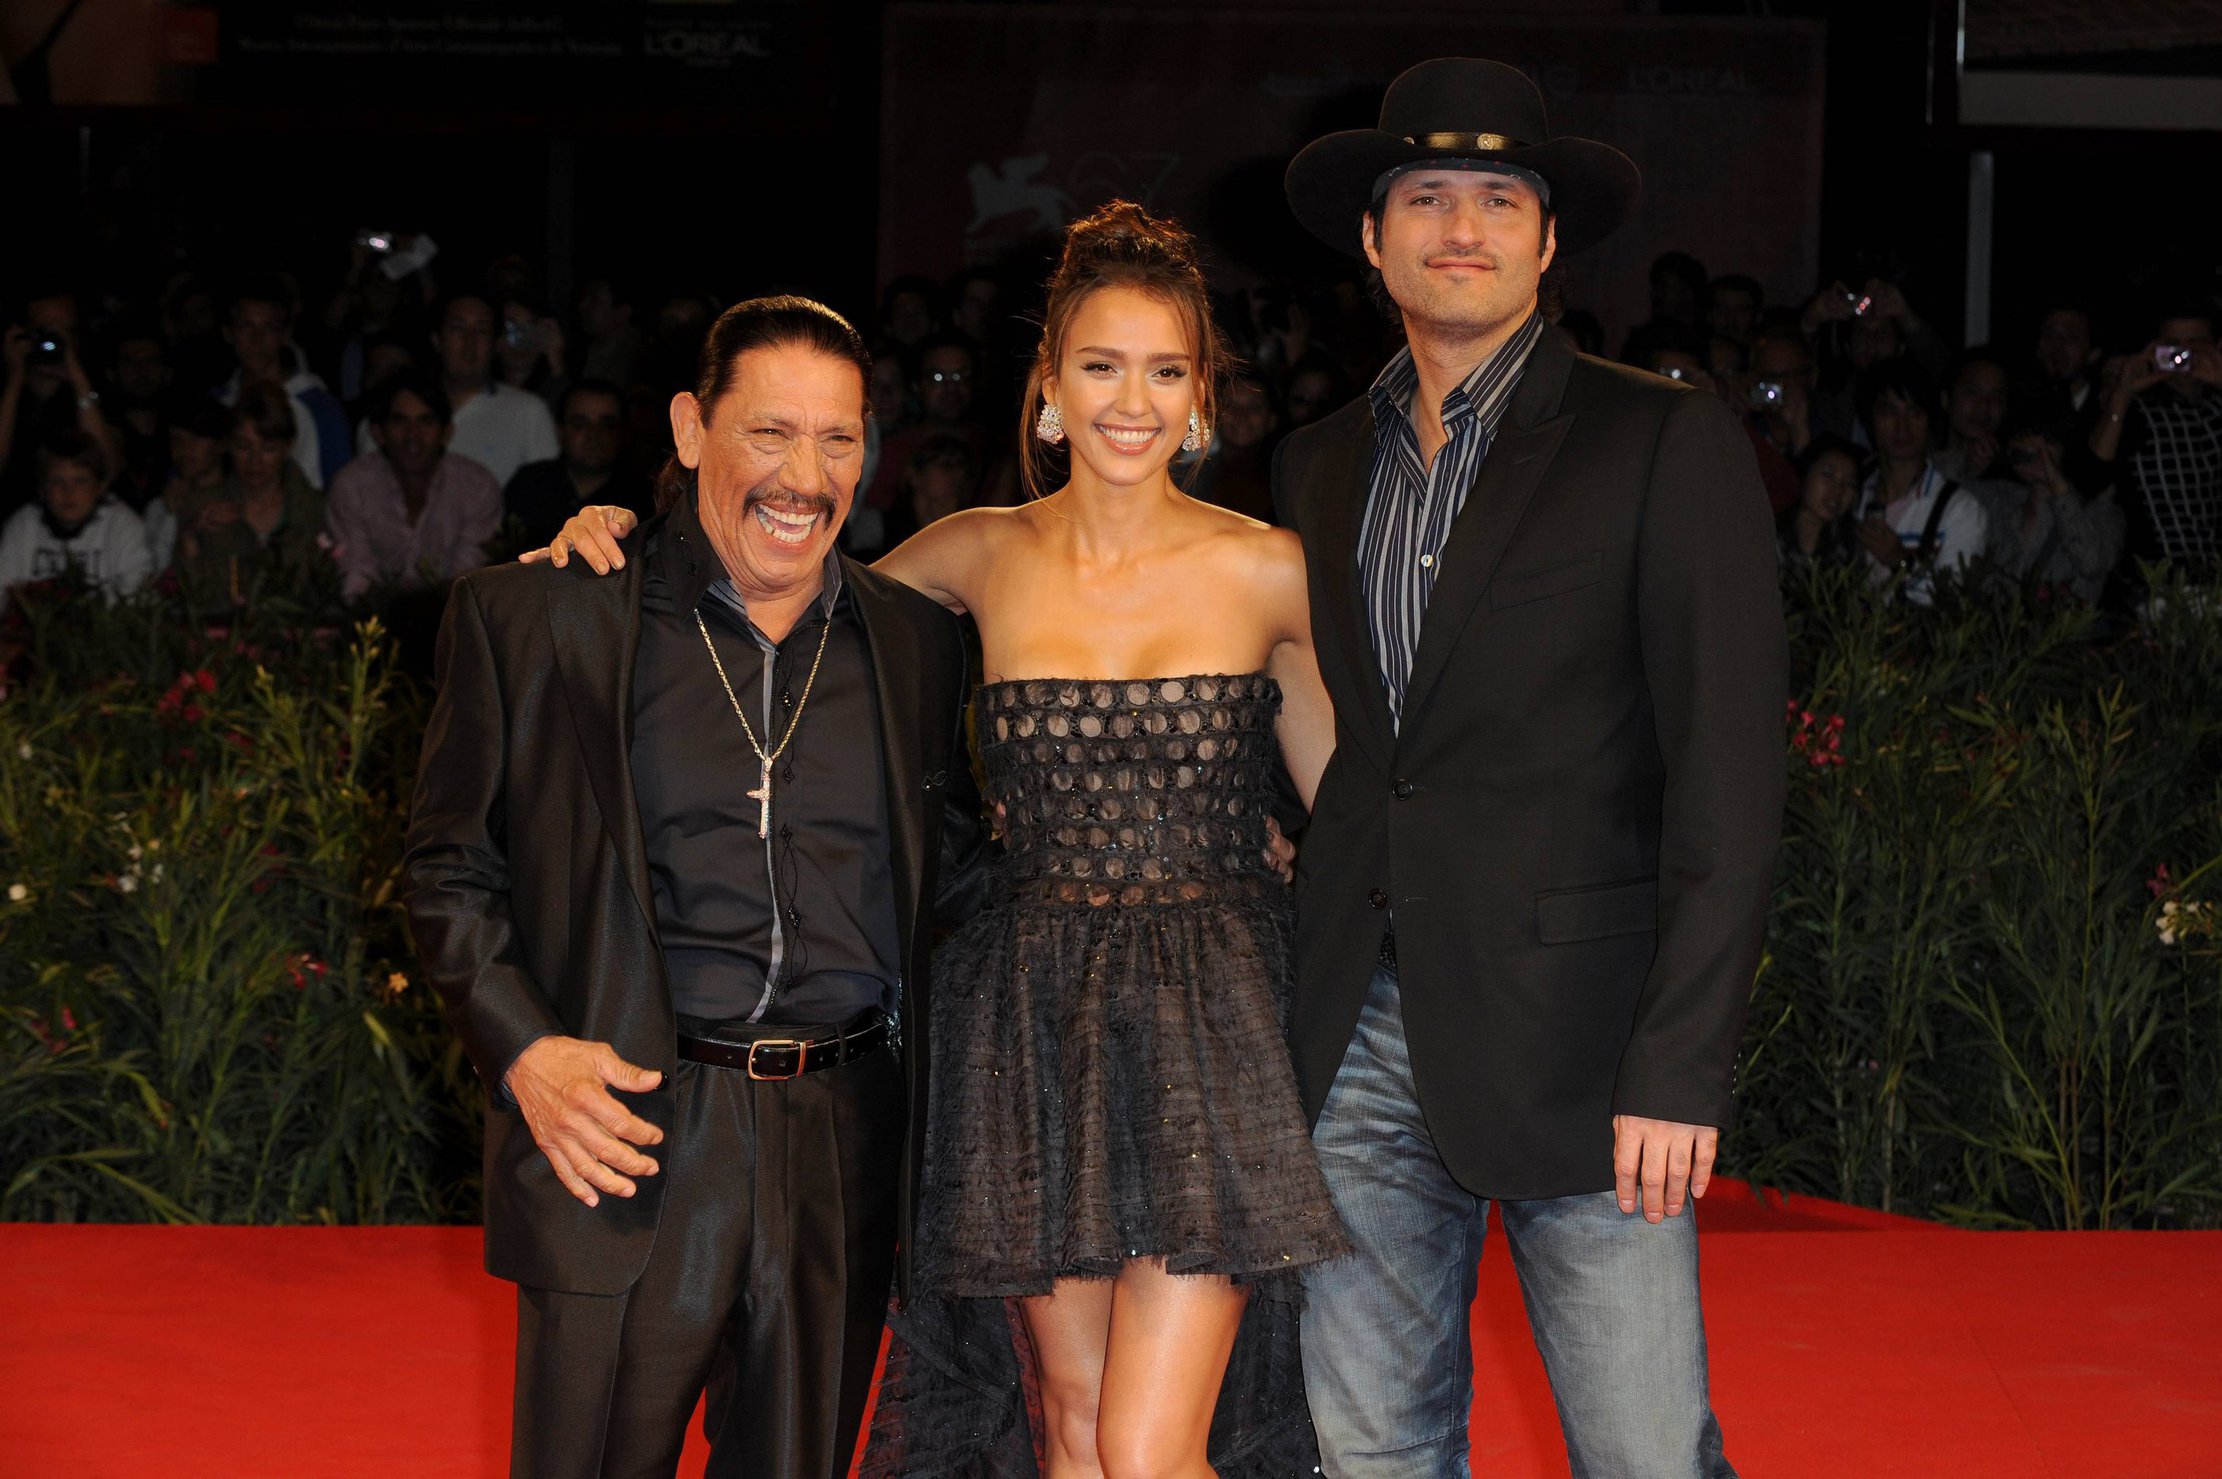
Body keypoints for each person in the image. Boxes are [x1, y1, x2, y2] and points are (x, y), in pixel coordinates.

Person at [540, 202, 1347, 1477]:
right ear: (1046, 391)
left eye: (1164, 370)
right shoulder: (971, 557)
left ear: (1201, 399)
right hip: (1030, 1025)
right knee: (1072, 1429)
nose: (1128, 401)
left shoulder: (1271, 572)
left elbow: (1355, 810)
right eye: (1097, 365)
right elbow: (771, 578)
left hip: (1212, 1032)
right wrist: (623, 531)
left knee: (1147, 1450)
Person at [1279, 57, 1785, 1476]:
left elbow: (1729, 779)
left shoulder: (1658, 438)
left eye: (1499, 196)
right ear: (1372, 240)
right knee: (1370, 1447)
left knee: (1642, 1450)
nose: (1462, 224)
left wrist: (1679, 1063)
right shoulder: (1314, 466)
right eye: (1425, 195)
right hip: (1357, 1030)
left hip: (1589, 1041)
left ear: (1547, 239)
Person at [405, 295, 986, 1478]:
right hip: (628, 1124)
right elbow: (447, 871)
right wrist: (526, 1053)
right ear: (687, 429)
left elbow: (963, 875)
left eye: (838, 438)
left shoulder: (918, 646)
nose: (804, 477)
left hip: (843, 1136)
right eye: (769, 433)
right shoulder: (541, 615)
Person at [325, 370, 500, 598]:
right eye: (400, 421)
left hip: (452, 623)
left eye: (426, 421)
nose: (413, 436)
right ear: (378, 433)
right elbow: (356, 581)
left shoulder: (477, 487)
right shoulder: (352, 486)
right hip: (371, 622)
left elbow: (468, 585)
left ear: (446, 432)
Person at [168, 382, 330, 608]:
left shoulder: (315, 508)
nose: (255, 461)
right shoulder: (201, 505)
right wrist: (190, 540)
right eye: (244, 447)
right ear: (228, 446)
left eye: (268, 449)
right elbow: (188, 600)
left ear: (287, 447)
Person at [2087, 306, 2222, 576]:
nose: (2184, 354)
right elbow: (2092, 477)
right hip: (2154, 582)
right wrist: (2123, 391)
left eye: (2195, 344)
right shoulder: (2137, 409)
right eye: (2172, 345)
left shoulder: (2218, 403)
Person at [1851, 359, 1988, 604]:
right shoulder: (1850, 495)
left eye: (1915, 412)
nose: (1902, 427)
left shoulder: (1960, 509)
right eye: (1889, 412)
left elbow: (1955, 602)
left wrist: (1902, 561)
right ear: (1869, 419)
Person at [216, 281, 352, 489]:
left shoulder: (319, 408)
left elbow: (343, 488)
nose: (257, 339)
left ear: (285, 335)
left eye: (268, 327)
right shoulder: (217, 405)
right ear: (228, 333)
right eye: (246, 326)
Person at [1978, 416, 2124, 603]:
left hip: (2063, 629)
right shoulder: (1997, 498)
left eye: (2047, 443)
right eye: (2025, 448)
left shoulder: (2101, 510)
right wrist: (1972, 460)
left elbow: (2092, 562)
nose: (2037, 456)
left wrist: (2058, 487)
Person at [1, 290, 119, 521]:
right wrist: (14, 377)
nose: (52, 342)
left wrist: (77, 378)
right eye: (44, 332)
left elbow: (107, 470)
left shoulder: (90, 389)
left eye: (67, 333)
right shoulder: (7, 392)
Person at [421, 293, 559, 487]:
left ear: (496, 343)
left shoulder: (529, 412)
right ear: (437, 339)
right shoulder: (403, 410)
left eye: (482, 330)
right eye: (457, 329)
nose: (470, 341)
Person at [0, 429, 152, 601]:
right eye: (58, 481)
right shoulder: (22, 525)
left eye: (80, 481)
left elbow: (137, 593)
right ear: (42, 489)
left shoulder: (123, 524)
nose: (68, 492)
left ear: (100, 486)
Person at [501, 380, 648, 549]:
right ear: (560, 431)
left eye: (607, 425)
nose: (594, 435)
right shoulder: (528, 483)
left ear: (624, 432)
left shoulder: (643, 497)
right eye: (580, 424)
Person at [1778, 434, 1864, 568]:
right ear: (1805, 475)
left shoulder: (1850, 547)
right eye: (1828, 475)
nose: (1838, 490)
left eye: (1849, 483)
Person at [1933, 346, 2012, 484]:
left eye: (1996, 396)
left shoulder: (2012, 479)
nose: (1984, 405)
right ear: (1946, 400)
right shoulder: (1920, 465)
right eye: (1972, 392)